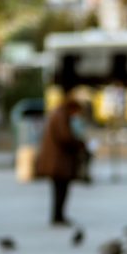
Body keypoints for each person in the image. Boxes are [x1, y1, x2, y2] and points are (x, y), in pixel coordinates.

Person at [35, 86, 89, 226]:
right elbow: (65, 137)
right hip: (58, 161)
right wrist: (79, 143)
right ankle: (58, 216)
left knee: (59, 190)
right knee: (60, 190)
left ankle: (58, 215)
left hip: (57, 161)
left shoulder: (59, 114)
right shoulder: (61, 116)